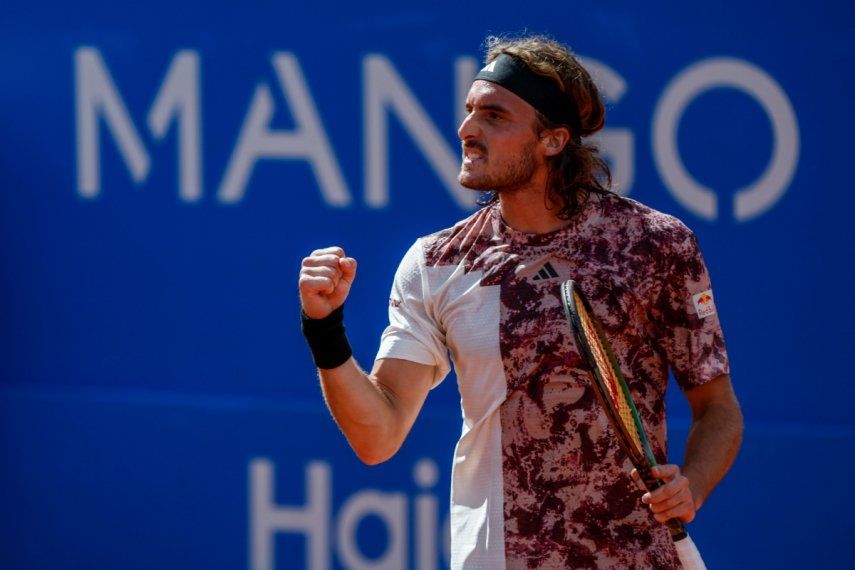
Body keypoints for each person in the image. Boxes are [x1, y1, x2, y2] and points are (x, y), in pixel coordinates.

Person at [299, 34, 743, 569]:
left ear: (552, 140)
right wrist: (324, 328)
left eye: (494, 116)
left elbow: (718, 409)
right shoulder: (437, 263)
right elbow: (378, 437)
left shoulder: (654, 245)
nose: (466, 129)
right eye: (469, 112)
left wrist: (691, 486)